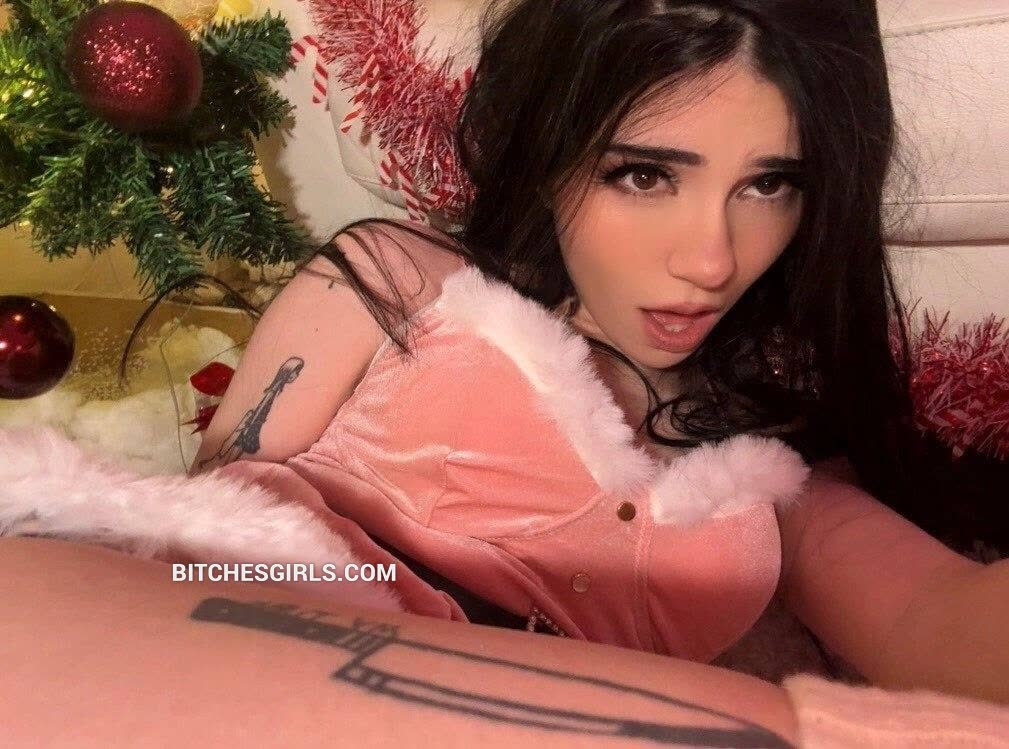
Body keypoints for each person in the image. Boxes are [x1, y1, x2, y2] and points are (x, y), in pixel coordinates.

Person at [180, 0, 1009, 703]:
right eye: (644, 175)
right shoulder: (394, 275)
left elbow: (932, 620)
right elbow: (191, 533)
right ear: (548, 155)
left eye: (768, 184)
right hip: (241, 668)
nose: (711, 261)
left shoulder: (763, 459)